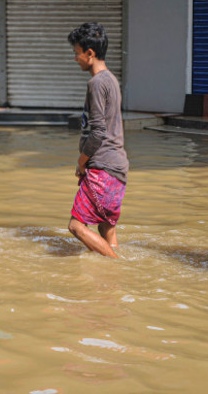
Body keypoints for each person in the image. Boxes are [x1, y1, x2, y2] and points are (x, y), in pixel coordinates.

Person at [67, 22, 129, 258]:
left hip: (102, 167)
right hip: (118, 168)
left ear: (90, 53)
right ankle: (112, 281)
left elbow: (98, 133)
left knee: (76, 226)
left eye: (77, 53)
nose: (76, 59)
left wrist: (82, 162)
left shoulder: (96, 83)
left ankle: (117, 266)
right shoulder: (111, 80)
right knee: (106, 228)